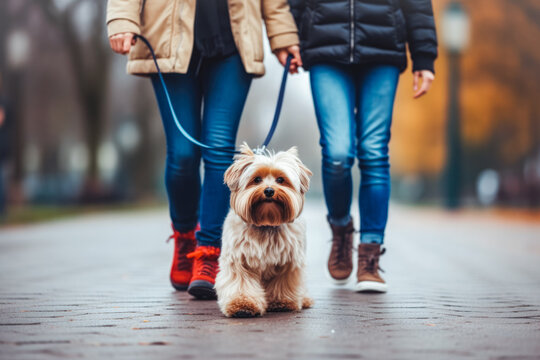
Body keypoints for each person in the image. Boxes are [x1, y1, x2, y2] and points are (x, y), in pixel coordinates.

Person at [106, 0, 301, 299]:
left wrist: (283, 37)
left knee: (219, 149)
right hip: (167, 37)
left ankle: (209, 253)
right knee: (183, 154)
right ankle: (185, 237)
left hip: (234, 42)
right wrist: (121, 20)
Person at [289, 0, 438, 292]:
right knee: (337, 154)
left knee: (374, 152)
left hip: (383, 47)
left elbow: (418, 4)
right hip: (324, 46)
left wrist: (424, 58)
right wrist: (289, 39)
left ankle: (370, 253)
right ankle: (341, 228)